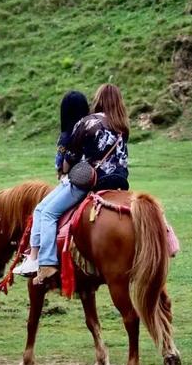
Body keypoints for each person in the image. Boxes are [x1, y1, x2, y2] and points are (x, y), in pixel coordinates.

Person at [14, 84, 129, 283]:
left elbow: (68, 162)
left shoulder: (87, 123)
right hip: (119, 182)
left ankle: (46, 262)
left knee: (46, 211)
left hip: (90, 181)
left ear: (99, 99)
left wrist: (67, 165)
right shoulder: (122, 126)